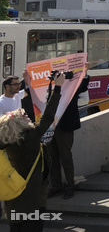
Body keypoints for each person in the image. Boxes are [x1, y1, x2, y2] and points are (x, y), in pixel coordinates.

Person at [0, 72, 65, 231]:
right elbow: (48, 116)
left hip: (13, 200)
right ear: (17, 124)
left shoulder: (7, 141)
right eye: (24, 116)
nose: (28, 116)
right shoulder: (31, 137)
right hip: (33, 200)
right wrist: (57, 88)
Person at [48, 67, 90, 199]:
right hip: (49, 126)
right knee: (52, 157)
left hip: (65, 126)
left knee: (65, 156)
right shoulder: (49, 86)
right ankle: (56, 186)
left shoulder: (72, 86)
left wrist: (85, 72)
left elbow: (83, 86)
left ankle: (69, 185)